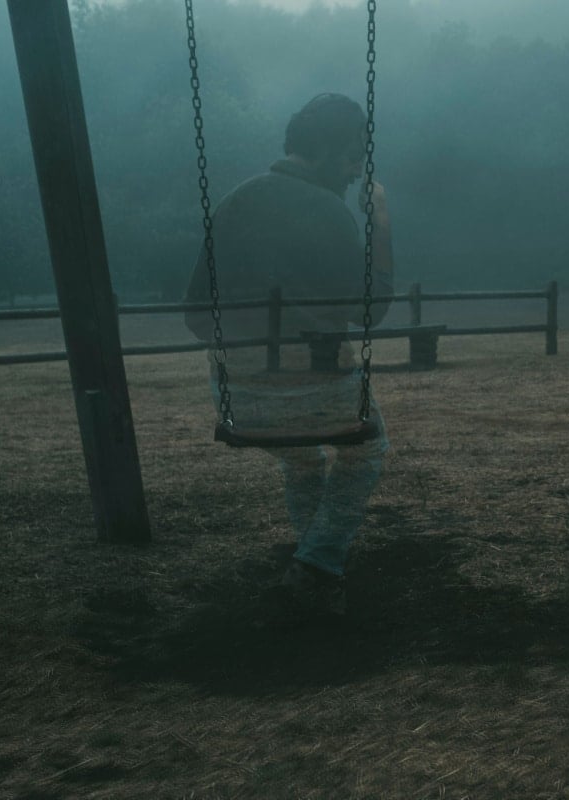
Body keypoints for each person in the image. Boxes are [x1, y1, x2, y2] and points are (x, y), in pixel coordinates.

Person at [185, 92, 395, 616]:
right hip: (320, 393)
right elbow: (371, 314)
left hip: (240, 398)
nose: (355, 171)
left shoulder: (238, 197)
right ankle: (319, 563)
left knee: (302, 458)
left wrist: (249, 349)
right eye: (353, 156)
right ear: (327, 149)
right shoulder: (331, 212)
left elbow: (195, 313)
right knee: (367, 446)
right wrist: (382, 222)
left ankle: (312, 570)